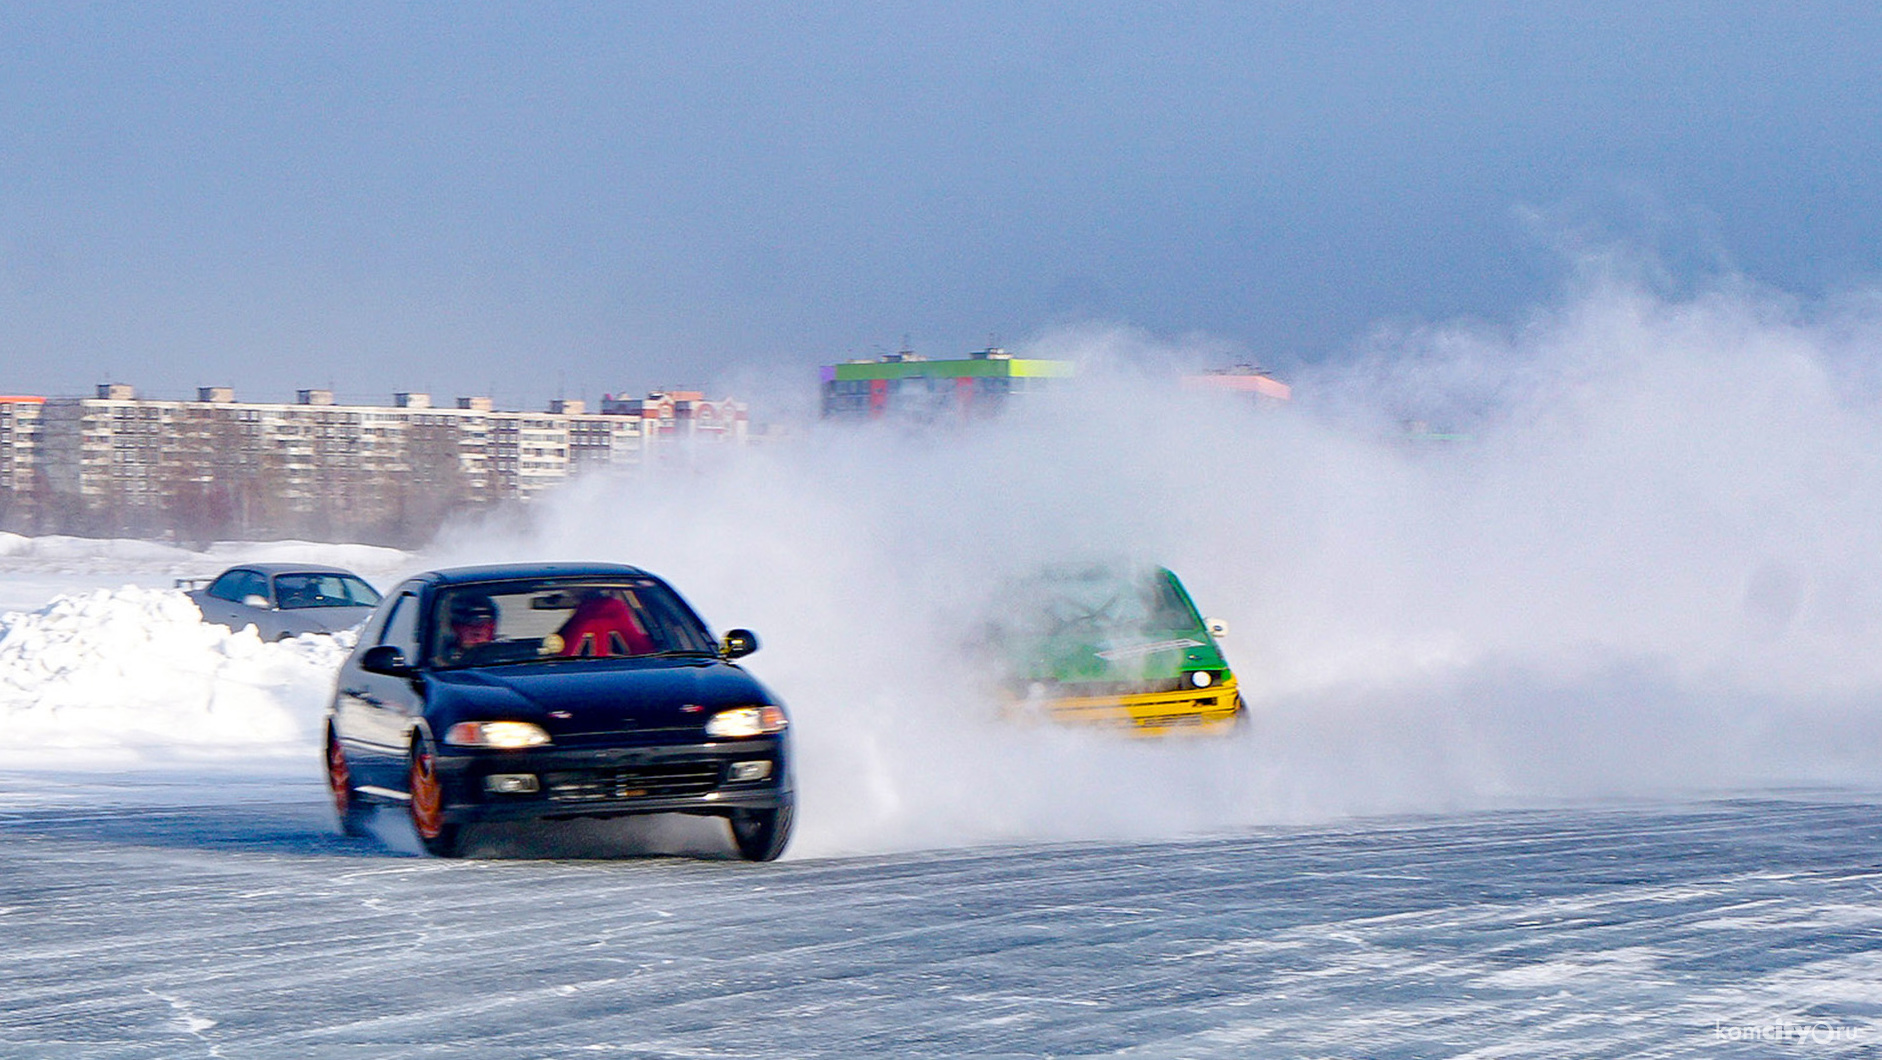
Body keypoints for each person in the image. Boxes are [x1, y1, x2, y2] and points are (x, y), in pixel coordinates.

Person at [444, 593, 499, 661]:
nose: (477, 628)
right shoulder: (443, 659)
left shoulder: (504, 656)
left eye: (484, 622)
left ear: (492, 626)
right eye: (469, 623)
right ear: (454, 627)